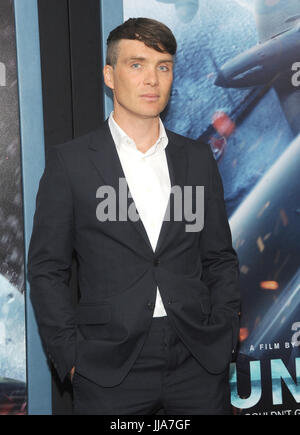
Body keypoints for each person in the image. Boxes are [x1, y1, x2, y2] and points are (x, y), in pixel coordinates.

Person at [27, 17, 240, 415]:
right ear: (110, 75)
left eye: (163, 66)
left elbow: (219, 258)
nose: (152, 79)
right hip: (108, 366)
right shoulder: (71, 163)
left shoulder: (196, 159)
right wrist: (70, 356)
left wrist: (225, 331)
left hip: (197, 358)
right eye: (136, 64)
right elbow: (46, 269)